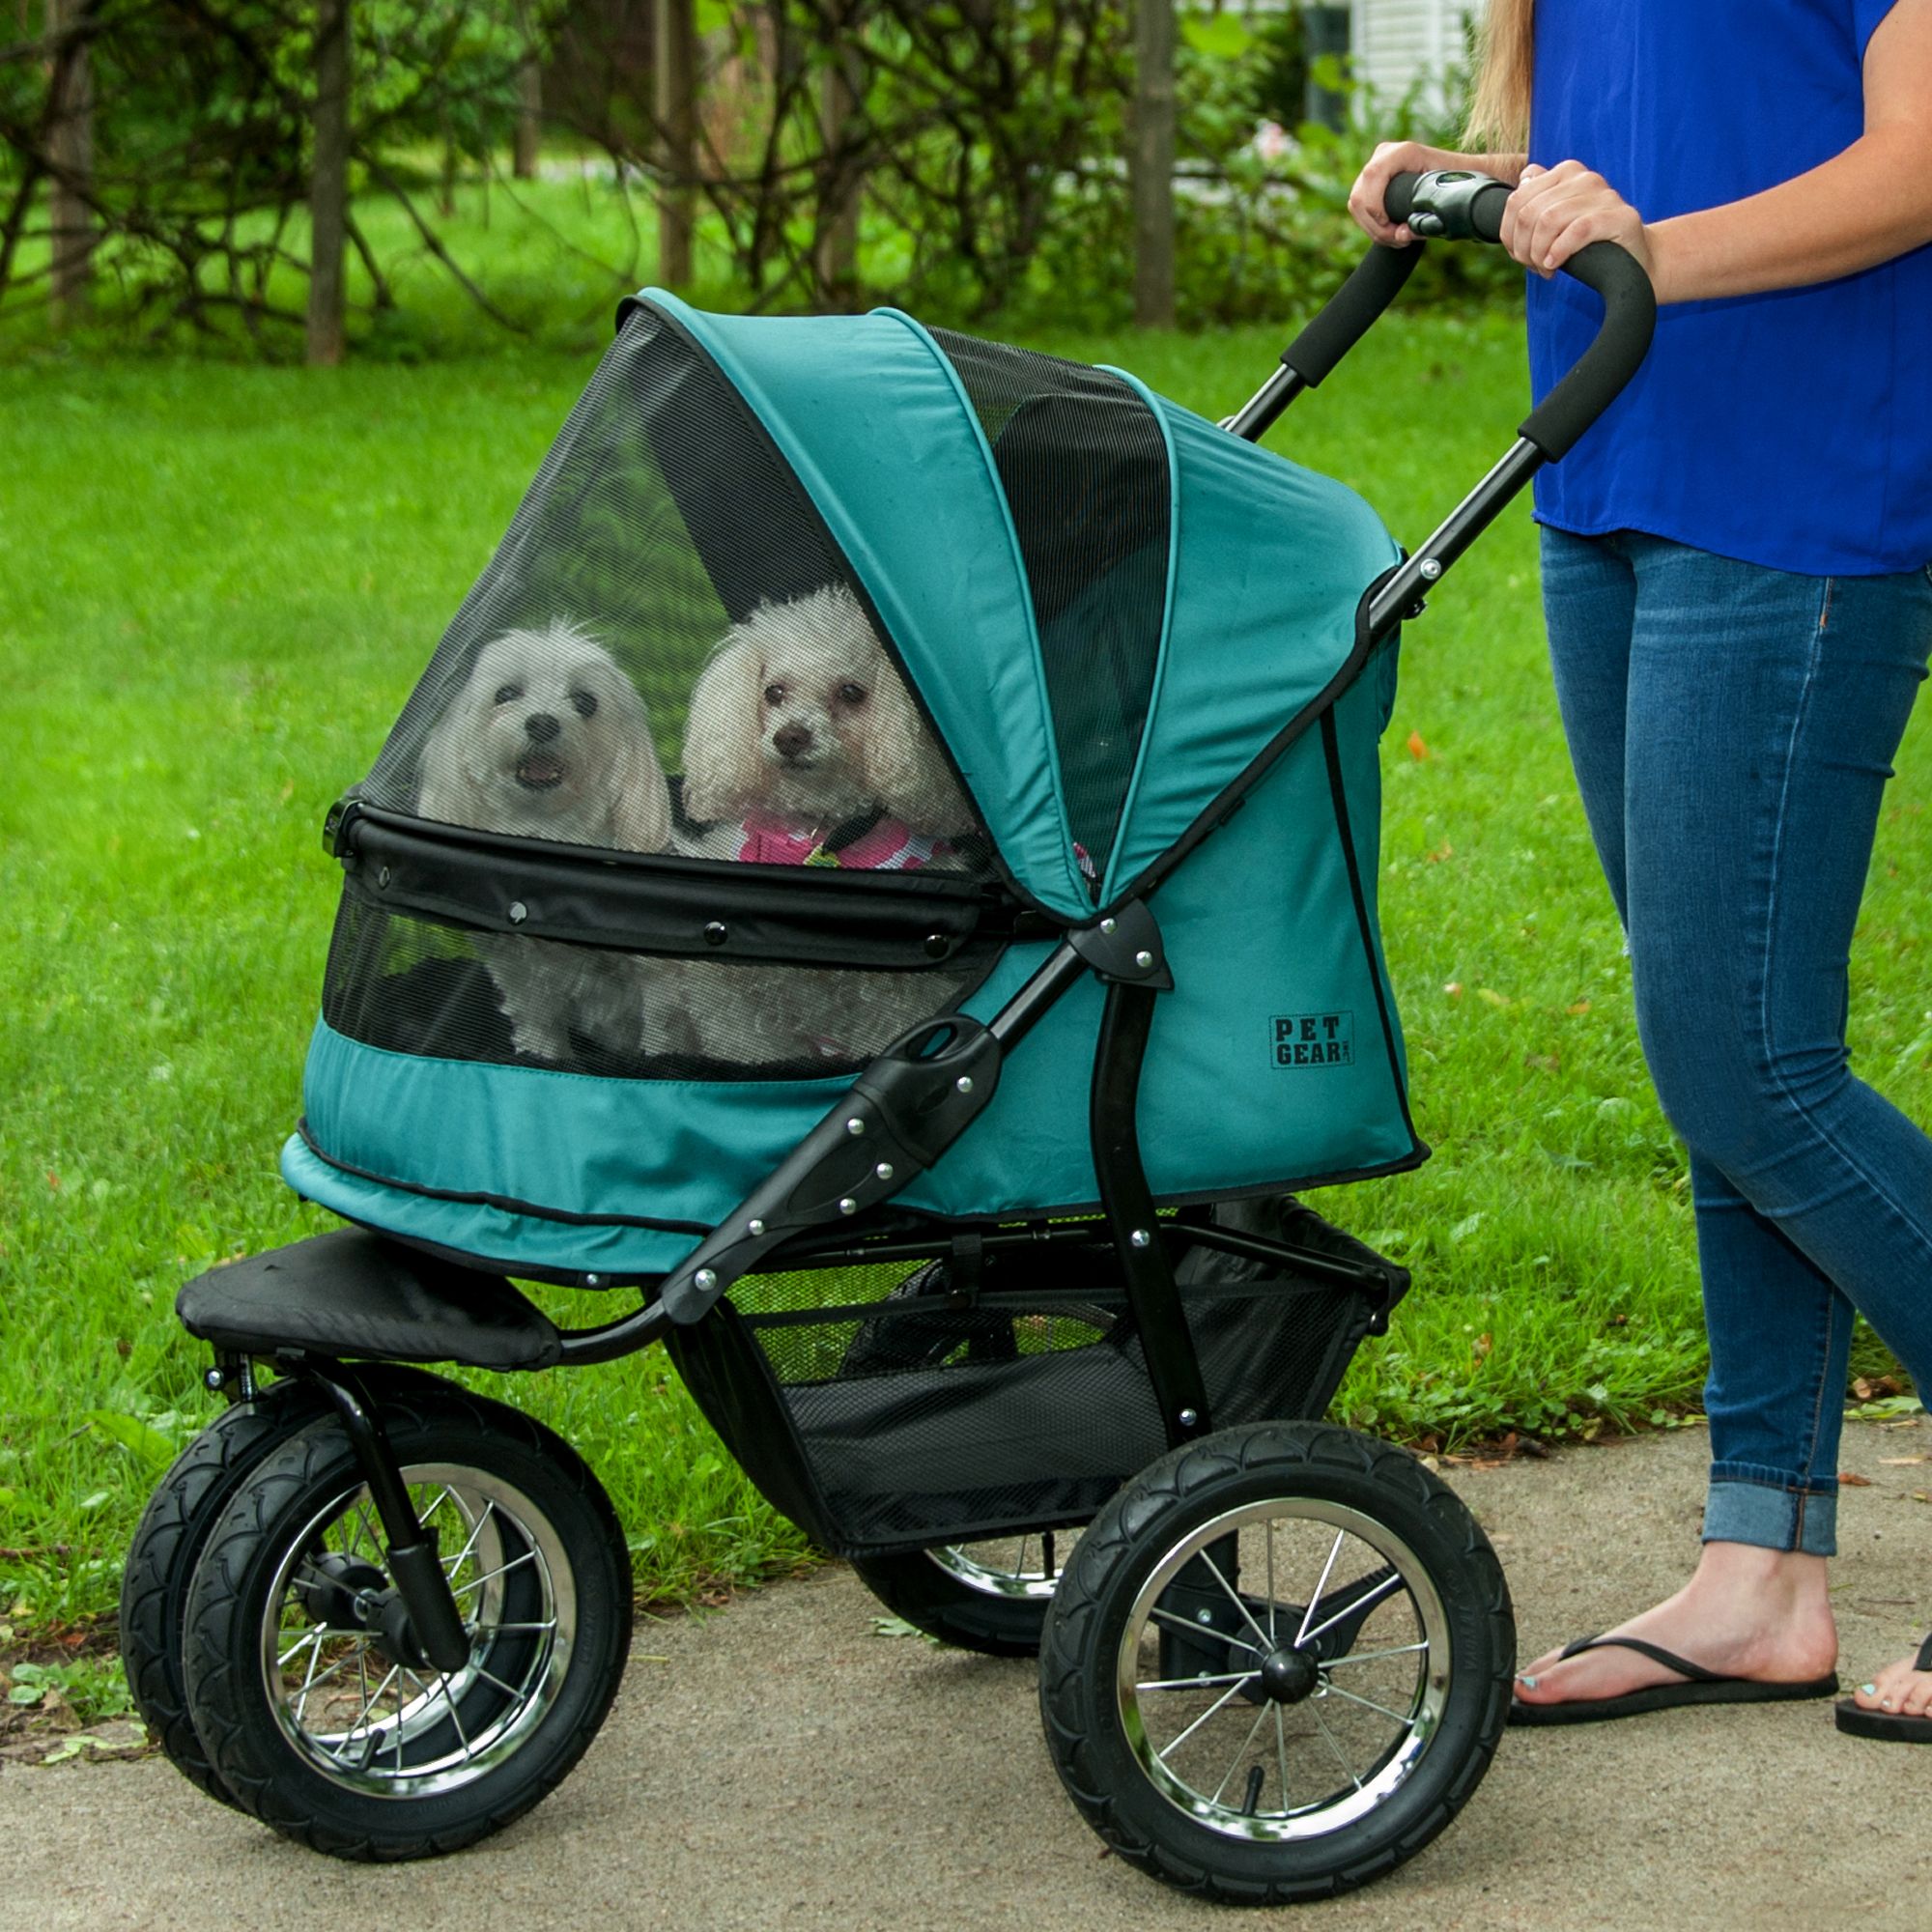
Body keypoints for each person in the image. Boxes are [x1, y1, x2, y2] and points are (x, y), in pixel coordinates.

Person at [1349, 0, 1932, 1737]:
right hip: (1608, 477)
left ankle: (1771, 1551)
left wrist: (1645, 245)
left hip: (1802, 496)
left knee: (1748, 1063)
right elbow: (1621, 155)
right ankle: (1762, 1572)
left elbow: (1915, 161)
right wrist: (1463, 184)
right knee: (1720, 1051)